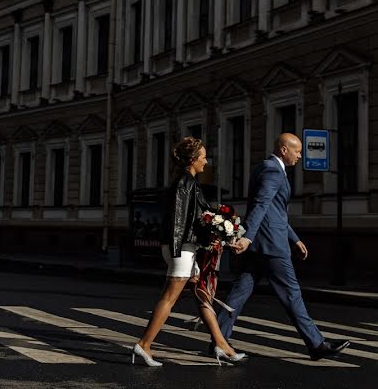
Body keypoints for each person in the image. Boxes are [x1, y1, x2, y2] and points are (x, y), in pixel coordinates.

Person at [219, 133, 351, 361]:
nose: (300, 155)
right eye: (297, 151)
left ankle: (219, 340)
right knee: (292, 293)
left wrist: (294, 238)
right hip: (270, 245)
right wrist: (248, 237)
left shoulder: (264, 167)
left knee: (239, 293)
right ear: (283, 149)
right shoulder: (273, 171)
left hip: (264, 241)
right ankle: (316, 344)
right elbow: (261, 205)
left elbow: (275, 211)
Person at [132, 137, 245, 367]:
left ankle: (221, 345)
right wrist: (179, 252)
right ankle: (144, 345)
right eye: (203, 157)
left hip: (184, 248)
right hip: (181, 248)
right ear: (193, 160)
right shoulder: (185, 183)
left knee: (202, 294)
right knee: (169, 297)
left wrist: (222, 234)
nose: (206, 161)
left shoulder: (188, 182)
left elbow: (200, 217)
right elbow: (179, 221)